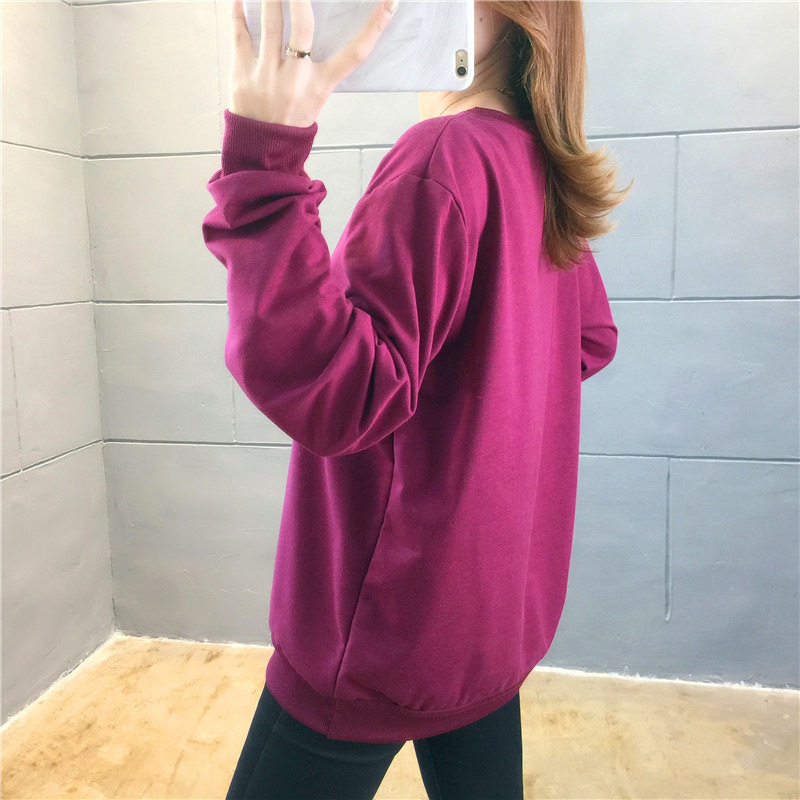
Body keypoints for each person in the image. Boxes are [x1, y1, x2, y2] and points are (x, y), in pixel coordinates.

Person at [202, 0, 632, 797]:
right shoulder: (532, 160)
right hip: (486, 617)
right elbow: (587, 338)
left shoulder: (444, 155)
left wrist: (264, 157)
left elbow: (335, 394)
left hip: (384, 629)